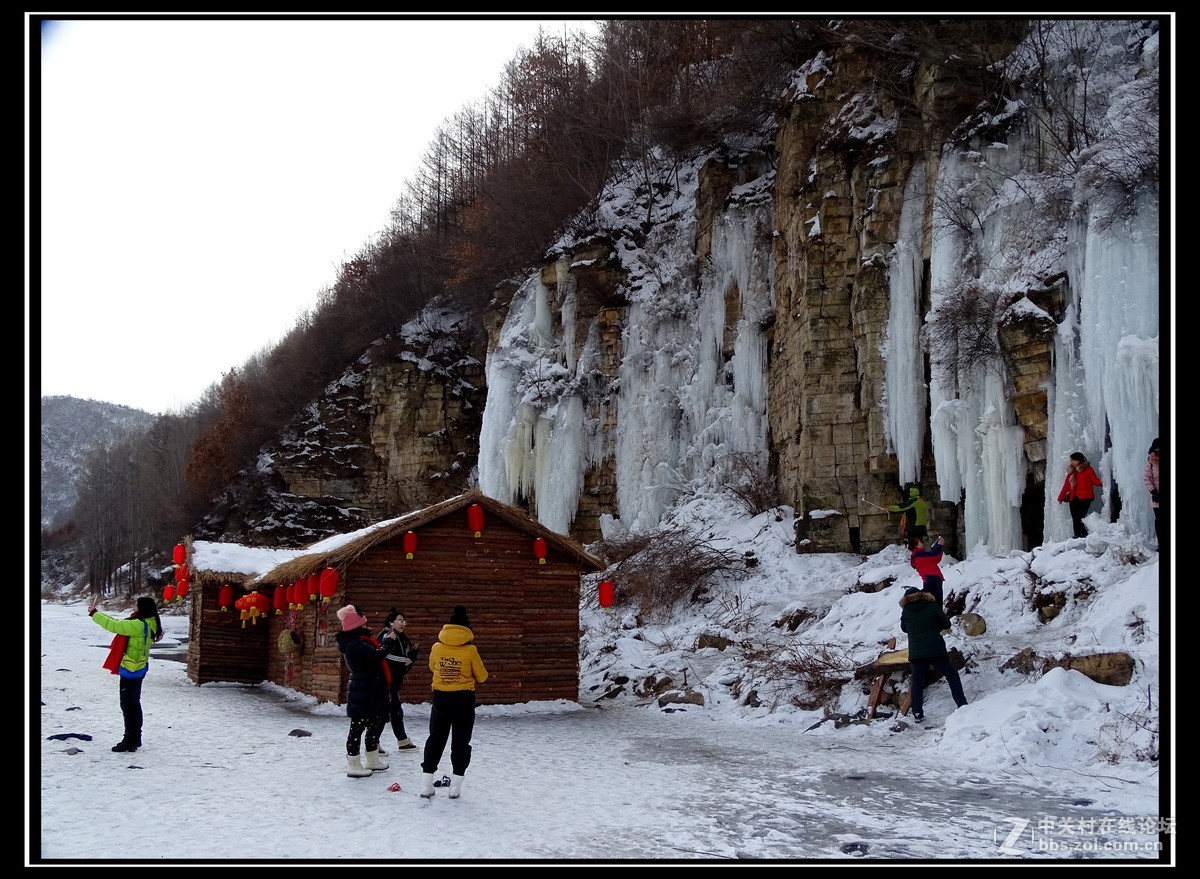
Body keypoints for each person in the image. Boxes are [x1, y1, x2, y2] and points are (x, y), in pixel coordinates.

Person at [420, 605, 489, 800]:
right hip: (463, 700)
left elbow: (433, 667)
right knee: (461, 741)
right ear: (466, 630)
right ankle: (455, 787)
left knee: (435, 738)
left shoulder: (436, 647)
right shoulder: (470, 650)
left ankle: (426, 785)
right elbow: (482, 677)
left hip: (441, 698)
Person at [87, 595, 163, 752]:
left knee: (128, 705)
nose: (134, 608)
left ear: (142, 608)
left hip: (131, 669)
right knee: (134, 703)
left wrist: (94, 613)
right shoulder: (151, 621)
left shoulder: (138, 625)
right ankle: (136, 737)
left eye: (136, 606)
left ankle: (129, 740)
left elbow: (115, 625)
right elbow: (121, 623)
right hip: (141, 667)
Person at [335, 604, 396, 778]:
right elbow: (376, 657)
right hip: (363, 688)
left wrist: (385, 643)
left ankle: (372, 759)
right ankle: (353, 764)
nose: (366, 627)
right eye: (363, 624)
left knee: (376, 724)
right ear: (356, 627)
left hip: (372, 688)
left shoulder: (360, 641)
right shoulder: (355, 644)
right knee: (358, 727)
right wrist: (388, 643)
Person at [899, 587, 967, 723]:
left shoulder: (906, 611)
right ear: (922, 595)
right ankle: (962, 705)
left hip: (917, 653)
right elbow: (946, 623)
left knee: (917, 682)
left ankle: (917, 712)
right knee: (951, 675)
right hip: (935, 649)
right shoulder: (931, 606)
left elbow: (904, 628)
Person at [377, 608, 420, 754]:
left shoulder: (401, 638)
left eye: (404, 621)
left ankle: (402, 741)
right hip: (383, 681)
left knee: (395, 712)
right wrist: (405, 660)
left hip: (393, 682)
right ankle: (373, 743)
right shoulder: (387, 635)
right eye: (399, 620)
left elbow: (404, 660)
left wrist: (412, 657)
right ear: (391, 622)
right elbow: (384, 655)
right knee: (383, 713)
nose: (403, 624)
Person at [1057, 452, 1102, 539]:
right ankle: (1077, 536)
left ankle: (1084, 535)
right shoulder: (1072, 471)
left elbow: (1095, 481)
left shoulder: (1088, 470)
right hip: (1073, 498)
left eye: (1073, 460)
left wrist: (1103, 483)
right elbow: (1066, 485)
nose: (1071, 462)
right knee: (1075, 518)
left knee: (1081, 517)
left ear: (1079, 460)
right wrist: (1060, 497)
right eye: (1071, 460)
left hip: (1085, 498)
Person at [907, 534, 945, 606]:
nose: (922, 543)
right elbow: (935, 555)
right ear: (916, 545)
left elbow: (936, 559)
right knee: (936, 603)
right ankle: (938, 616)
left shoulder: (918, 555)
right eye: (919, 542)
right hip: (933, 580)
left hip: (930, 580)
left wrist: (938, 546)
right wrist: (939, 545)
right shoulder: (919, 554)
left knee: (932, 603)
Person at [1143, 438, 1161, 550]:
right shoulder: (1150, 463)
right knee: (1159, 520)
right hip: (1157, 497)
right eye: (1156, 449)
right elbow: (1146, 478)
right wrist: (1153, 491)